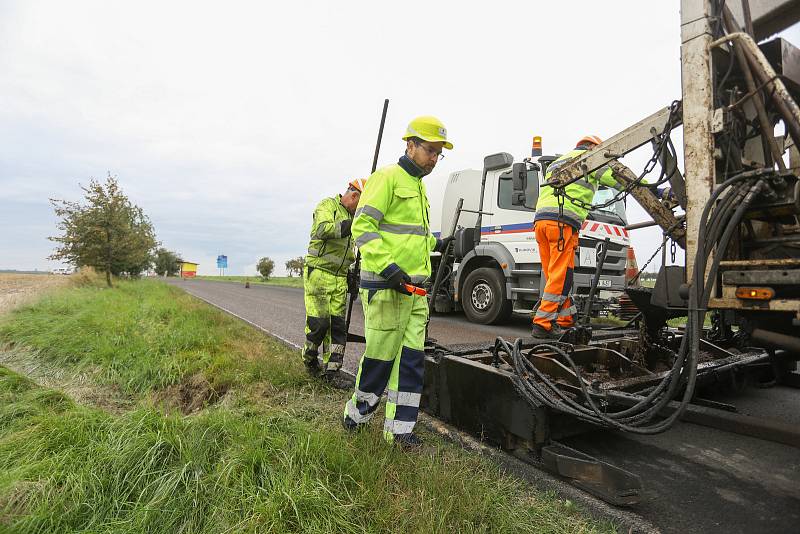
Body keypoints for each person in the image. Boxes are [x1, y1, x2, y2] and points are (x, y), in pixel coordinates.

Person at [343, 116, 454, 449]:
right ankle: (356, 417)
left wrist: (443, 243)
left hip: (416, 293)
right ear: (410, 145)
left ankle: (400, 431)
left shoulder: (419, 187)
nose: (434, 158)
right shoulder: (387, 177)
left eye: (439, 153)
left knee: (410, 364)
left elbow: (412, 239)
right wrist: (388, 268)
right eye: (430, 150)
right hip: (386, 288)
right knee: (380, 360)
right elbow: (362, 228)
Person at [531, 135, 620, 339]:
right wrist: (652, 188)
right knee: (561, 276)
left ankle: (565, 319)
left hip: (541, 223)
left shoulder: (558, 162)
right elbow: (618, 178)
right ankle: (542, 324)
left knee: (557, 276)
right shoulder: (591, 158)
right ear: (594, 148)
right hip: (561, 223)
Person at [302, 178, 367, 377]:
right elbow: (323, 230)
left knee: (337, 327)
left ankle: (332, 372)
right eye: (361, 206)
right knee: (319, 324)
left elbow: (352, 252)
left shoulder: (354, 218)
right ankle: (310, 359)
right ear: (354, 196)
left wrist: (353, 278)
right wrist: (354, 223)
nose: (360, 211)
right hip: (319, 274)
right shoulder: (327, 205)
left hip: (340, 278)